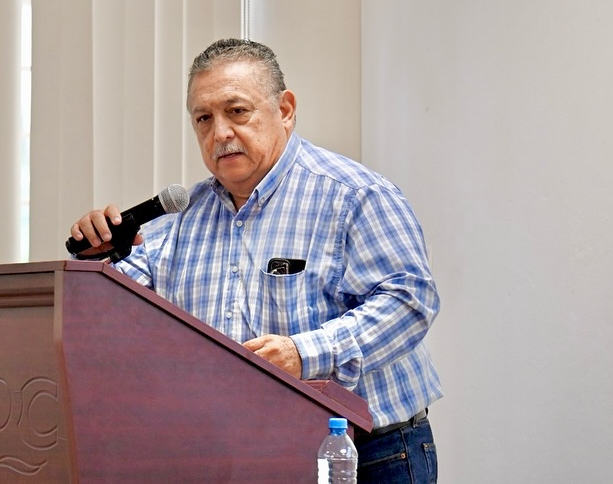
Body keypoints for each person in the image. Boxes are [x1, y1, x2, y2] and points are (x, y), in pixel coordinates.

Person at [70, 38, 442, 483]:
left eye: (237, 111)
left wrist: (304, 353)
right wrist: (103, 259)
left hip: (366, 455)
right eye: (204, 119)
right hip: (241, 456)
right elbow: (112, 315)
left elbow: (408, 300)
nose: (220, 133)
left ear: (284, 109)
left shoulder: (353, 195)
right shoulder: (182, 218)